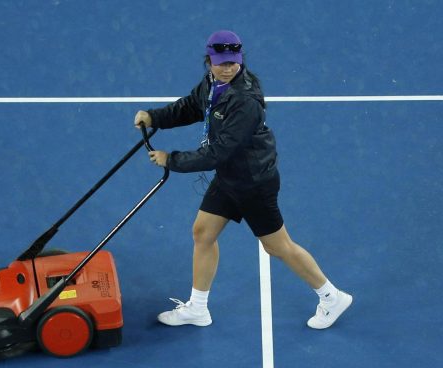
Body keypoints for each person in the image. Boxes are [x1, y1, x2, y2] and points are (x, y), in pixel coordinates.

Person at [134, 30, 352, 330]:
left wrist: (171, 159)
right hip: (231, 177)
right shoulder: (213, 83)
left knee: (278, 247)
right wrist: (154, 117)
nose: (227, 68)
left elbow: (218, 152)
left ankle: (331, 297)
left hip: (253, 182)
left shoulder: (245, 100)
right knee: (203, 233)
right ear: (209, 61)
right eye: (221, 62)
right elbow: (191, 106)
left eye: (232, 63)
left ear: (240, 60)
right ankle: (198, 308)